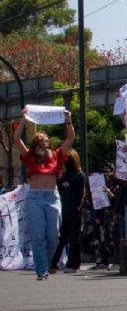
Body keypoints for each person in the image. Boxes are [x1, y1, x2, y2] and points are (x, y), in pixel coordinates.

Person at [14, 107, 74, 280]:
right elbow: (16, 139)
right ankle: (42, 270)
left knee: (53, 236)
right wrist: (24, 120)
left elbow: (70, 138)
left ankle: (46, 263)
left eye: (45, 139)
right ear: (34, 143)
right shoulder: (29, 156)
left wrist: (67, 119)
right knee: (37, 236)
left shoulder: (56, 155)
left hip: (51, 198)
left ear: (49, 142)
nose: (42, 140)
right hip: (34, 199)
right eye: (39, 139)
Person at [50, 149, 86, 273]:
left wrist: (78, 209)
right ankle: (53, 263)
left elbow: (82, 193)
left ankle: (73, 264)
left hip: (75, 212)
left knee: (74, 239)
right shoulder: (63, 176)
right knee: (62, 238)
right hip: (64, 211)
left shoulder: (80, 175)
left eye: (68, 159)